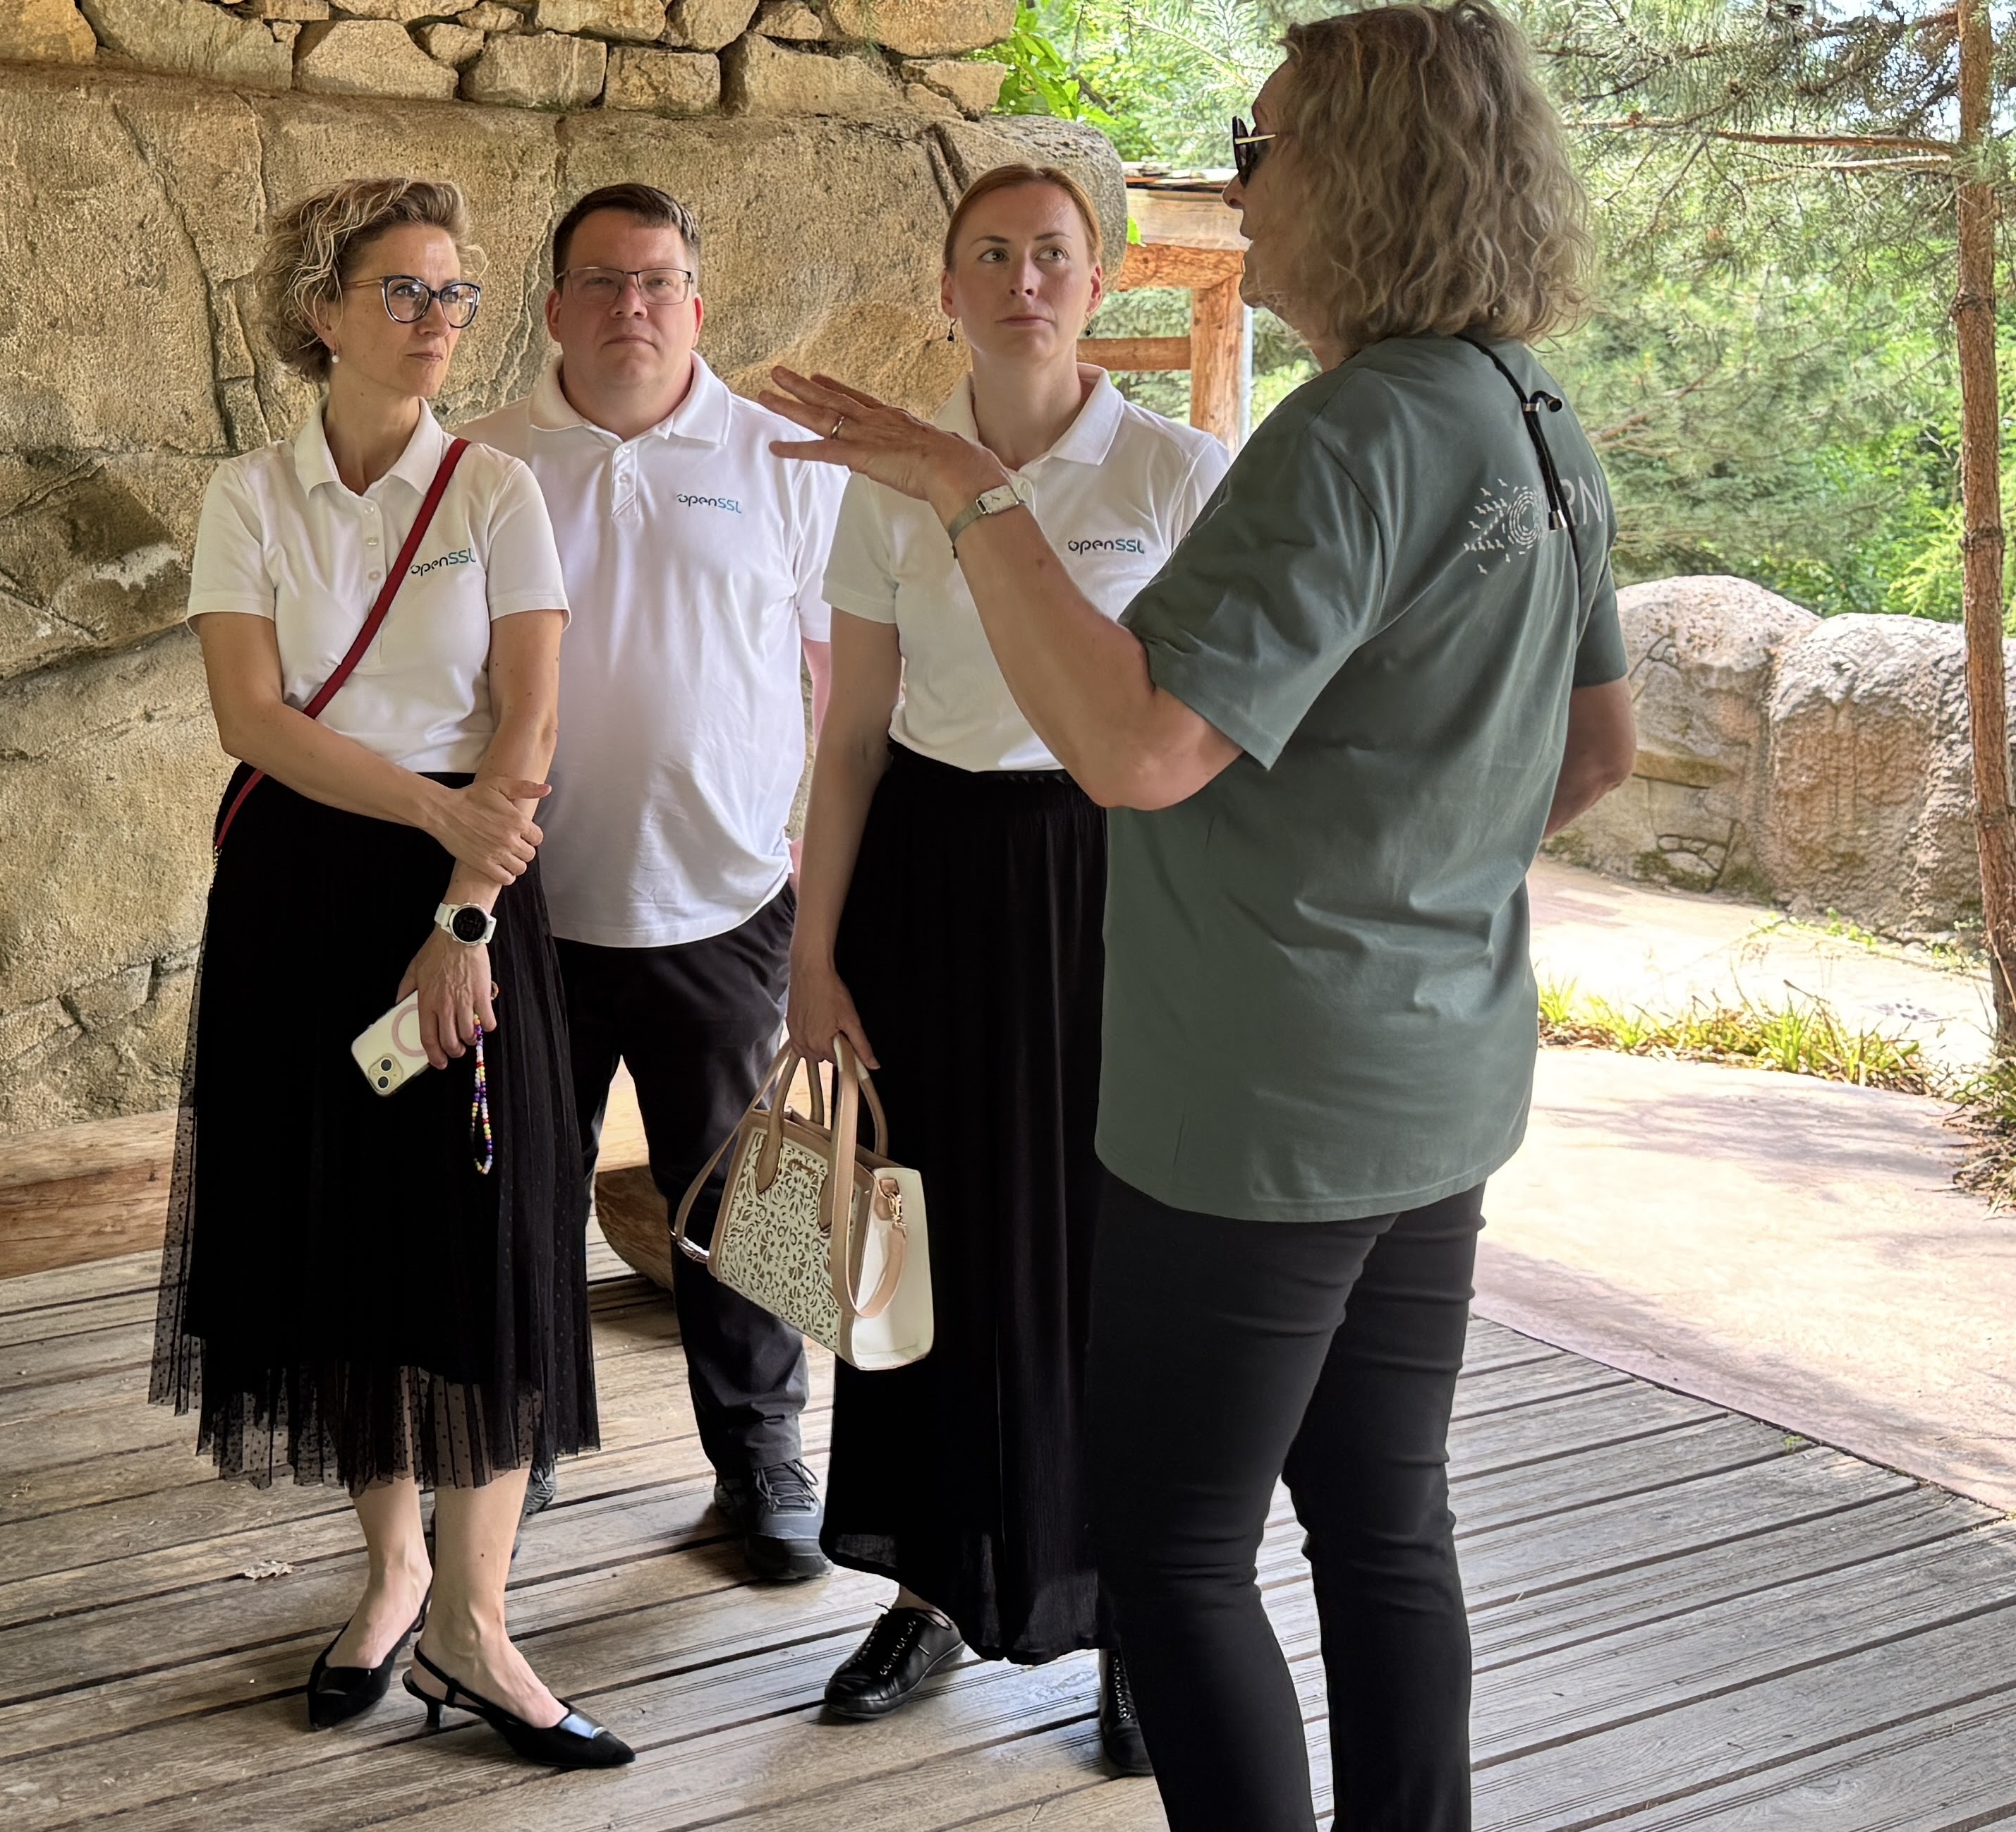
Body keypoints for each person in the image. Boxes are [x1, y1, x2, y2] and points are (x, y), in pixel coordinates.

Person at [764, 0, 1642, 1832]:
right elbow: (1595, 746)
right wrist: (1382, 881)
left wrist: (961, 484)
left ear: (1371, 174)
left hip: (1264, 1094)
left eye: (1265, 148)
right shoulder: (1536, 419)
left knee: (1173, 1546)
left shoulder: (1344, 440)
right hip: (1439, 1072)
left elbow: (1128, 745)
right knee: (1385, 1519)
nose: (1240, 191)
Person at [152, 177, 629, 1771]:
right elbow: (254, 716)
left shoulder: (496, 490)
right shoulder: (250, 493)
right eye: (405, 290)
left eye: (455, 294)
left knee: (486, 1241)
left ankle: (477, 1624)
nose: (436, 321)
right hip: (305, 891)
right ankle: (395, 1573)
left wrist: (466, 904)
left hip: (473, 893)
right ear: (323, 308)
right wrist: (437, 816)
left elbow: (531, 717)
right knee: (346, 1242)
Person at [785, 162, 1230, 1773]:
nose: (1024, 279)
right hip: (923, 877)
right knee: (912, 1242)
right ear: (949, 284)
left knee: (1104, 1256)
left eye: (1054, 253)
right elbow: (849, 734)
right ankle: (921, 1577)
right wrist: (812, 951)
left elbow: (1202, 741)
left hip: (1108, 886)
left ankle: (1119, 1612)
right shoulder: (887, 479)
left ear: (1097, 280)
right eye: (994, 253)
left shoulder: (1180, 468)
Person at [458, 183, 847, 1582]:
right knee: (515, 1196)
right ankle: (527, 1437)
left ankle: (767, 1454)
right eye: (605, 282)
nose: (635, 307)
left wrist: (826, 877)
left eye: (661, 282)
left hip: (728, 901)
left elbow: (842, 673)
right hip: (531, 912)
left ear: (698, 300)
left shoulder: (783, 453)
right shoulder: (486, 460)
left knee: (766, 1203)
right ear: (553, 304)